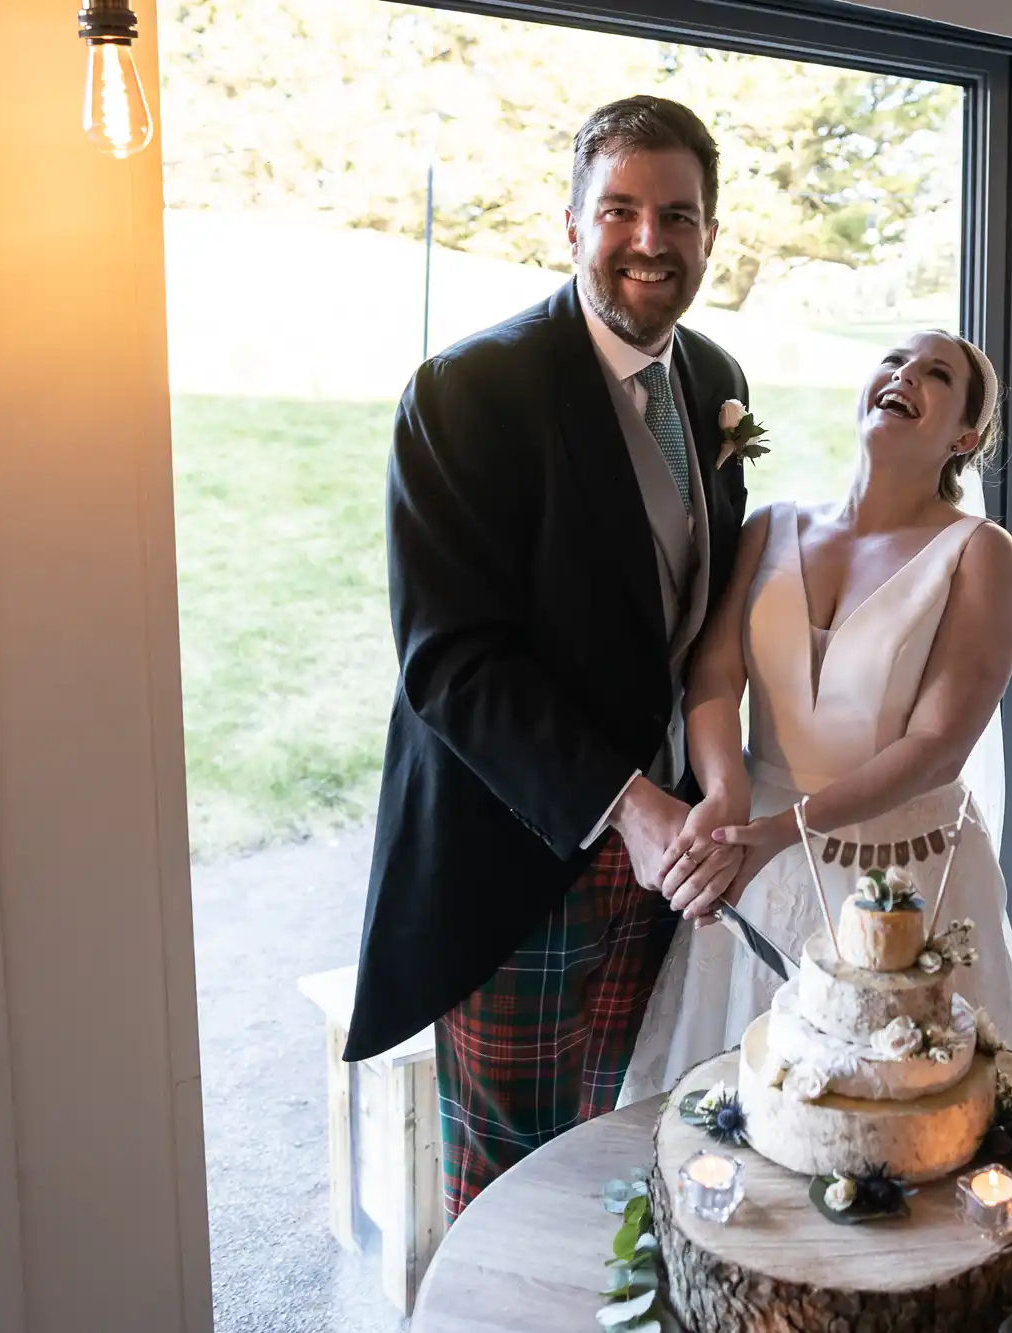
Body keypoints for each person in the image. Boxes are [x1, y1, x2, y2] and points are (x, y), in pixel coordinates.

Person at [342, 95, 753, 1222]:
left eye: (677, 215)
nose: (648, 240)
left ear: (710, 236)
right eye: (618, 209)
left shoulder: (716, 377)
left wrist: (714, 784)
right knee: (510, 1174)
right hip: (515, 855)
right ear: (568, 223)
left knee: (622, 1135)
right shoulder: (468, 392)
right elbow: (450, 664)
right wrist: (627, 806)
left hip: (666, 862)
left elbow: (699, 614)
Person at [621, 329, 1012, 1102]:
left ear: (964, 438)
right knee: (743, 1108)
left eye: (936, 374)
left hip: (907, 873)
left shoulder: (980, 552)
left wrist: (785, 832)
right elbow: (713, 673)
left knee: (910, 1118)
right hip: (754, 852)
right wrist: (723, 796)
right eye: (894, 360)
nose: (904, 374)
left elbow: (939, 745)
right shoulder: (770, 527)